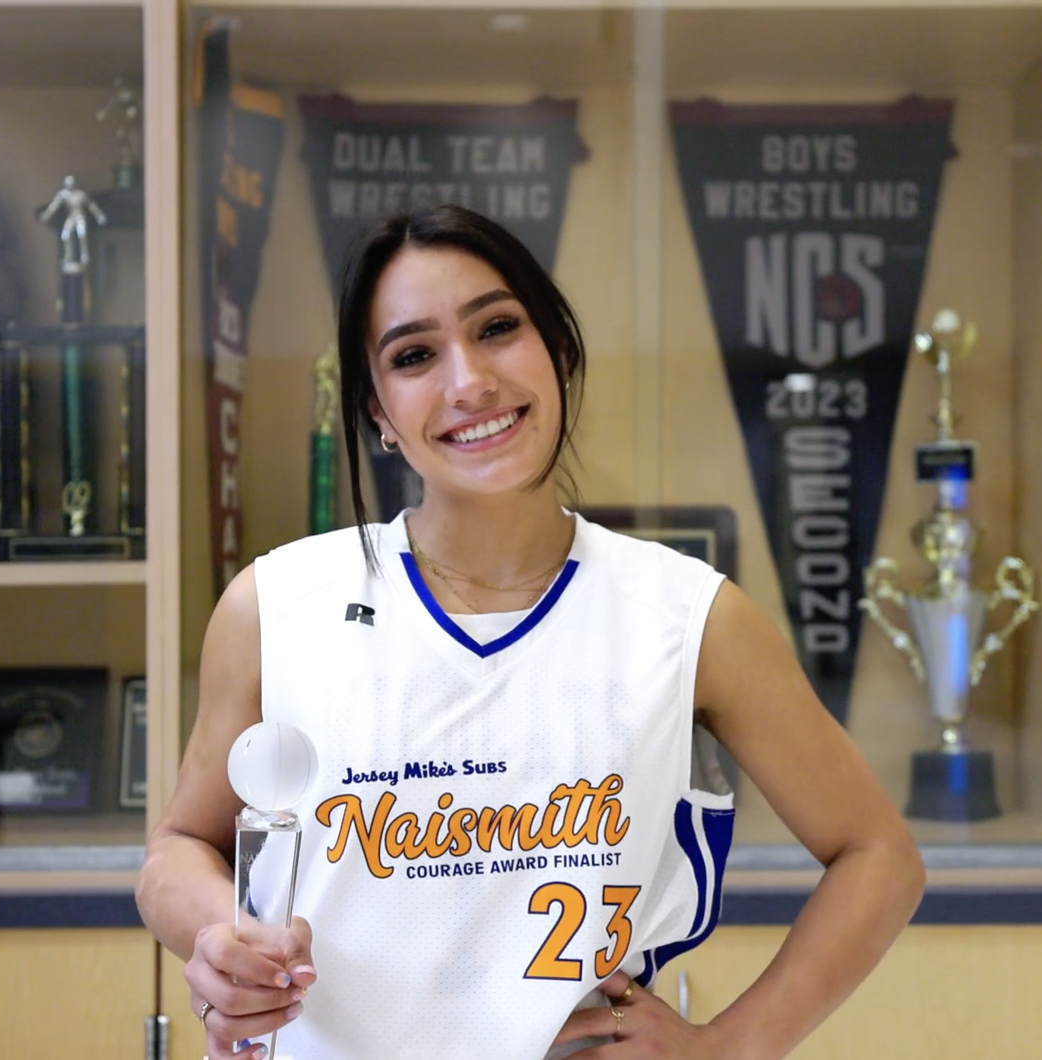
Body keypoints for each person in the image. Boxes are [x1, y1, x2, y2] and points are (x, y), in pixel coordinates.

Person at [136, 205, 924, 1060]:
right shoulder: (276, 607)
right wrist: (222, 938)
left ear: (560, 348)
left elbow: (878, 853)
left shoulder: (690, 617)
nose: (469, 381)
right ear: (377, 411)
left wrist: (728, 1048)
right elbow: (179, 849)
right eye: (413, 355)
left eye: (497, 328)